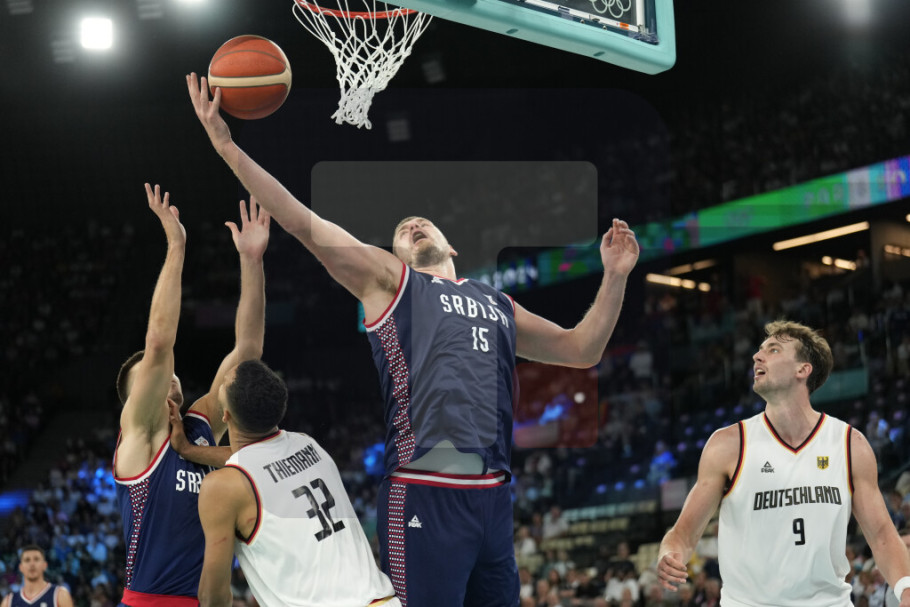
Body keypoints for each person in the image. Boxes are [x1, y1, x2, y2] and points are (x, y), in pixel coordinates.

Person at [187, 72, 640, 607]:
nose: (414, 225)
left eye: (423, 222)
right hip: (424, 491)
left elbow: (582, 350)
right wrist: (228, 148)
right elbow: (304, 223)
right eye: (403, 230)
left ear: (453, 248)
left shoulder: (497, 303)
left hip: (493, 498)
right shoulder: (391, 283)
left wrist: (615, 276)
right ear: (396, 254)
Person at [656, 320, 910, 607]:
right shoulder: (728, 445)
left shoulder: (850, 444)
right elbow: (684, 533)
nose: (757, 356)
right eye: (760, 349)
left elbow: (882, 535)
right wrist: (670, 553)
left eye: (773, 350)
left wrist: (905, 588)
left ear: (803, 370)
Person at [113, 185, 269, 606]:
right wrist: (176, 245)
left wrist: (252, 261)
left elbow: (248, 350)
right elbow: (159, 343)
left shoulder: (199, 424)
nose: (168, 377)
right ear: (134, 398)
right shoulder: (139, 436)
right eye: (152, 376)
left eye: (171, 374)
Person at [178, 359, 398, 607]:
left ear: (225, 415)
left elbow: (213, 598)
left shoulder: (222, 487)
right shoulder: (308, 444)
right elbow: (257, 457)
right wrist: (191, 450)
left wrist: (187, 450)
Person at [0, 545, 74, 607]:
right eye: (27, 560)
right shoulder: (8, 601)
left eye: (36, 559)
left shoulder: (60, 595)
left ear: (44, 565)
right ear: (21, 567)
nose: (32, 564)